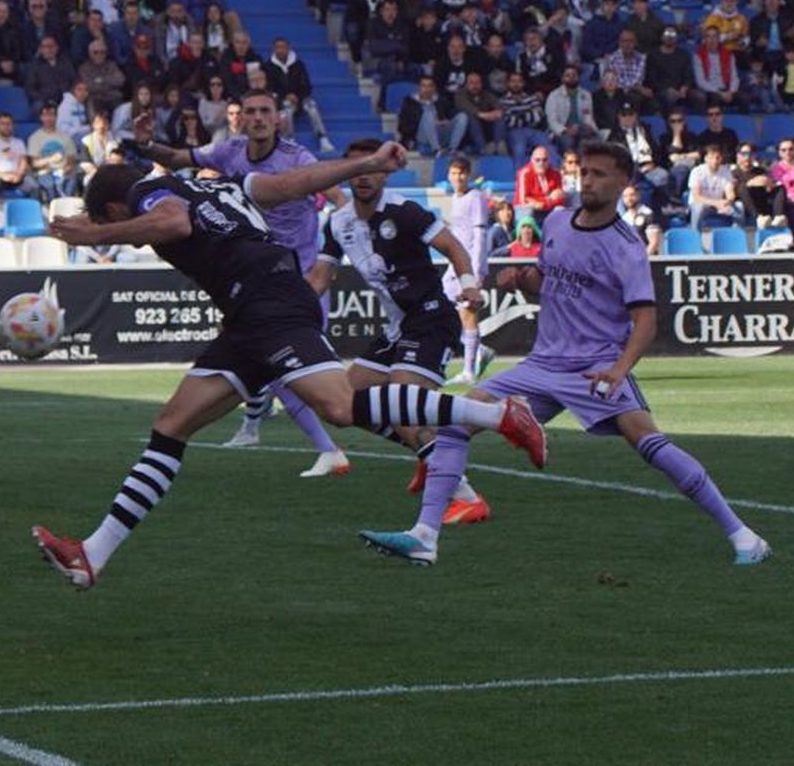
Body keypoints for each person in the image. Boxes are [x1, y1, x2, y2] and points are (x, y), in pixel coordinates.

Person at [33, 144, 545, 590]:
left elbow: (172, 223)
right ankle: (92, 555)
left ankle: (499, 416)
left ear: (116, 206)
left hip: (266, 300)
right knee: (171, 425)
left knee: (341, 406)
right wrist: (360, 164)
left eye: (109, 218)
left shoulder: (153, 198)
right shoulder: (219, 187)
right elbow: (289, 185)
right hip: (249, 311)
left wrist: (98, 237)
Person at [361, 141, 770, 567]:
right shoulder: (556, 221)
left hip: (594, 366)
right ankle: (426, 536)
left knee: (650, 444)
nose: (587, 180)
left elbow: (645, 321)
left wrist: (618, 370)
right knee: (457, 421)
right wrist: (523, 280)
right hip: (541, 364)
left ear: (624, 182)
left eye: (599, 174)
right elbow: (547, 277)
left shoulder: (625, 246)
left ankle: (743, 536)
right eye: (584, 172)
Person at [131, 89, 351, 476]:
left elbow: (340, 202)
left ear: (278, 118)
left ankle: (414, 435)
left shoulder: (297, 158)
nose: (259, 117)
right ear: (241, 119)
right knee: (275, 369)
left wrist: (330, 258)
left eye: (266, 110)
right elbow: (178, 159)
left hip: (298, 282)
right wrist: (147, 144)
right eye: (251, 111)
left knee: (319, 388)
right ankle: (313, 443)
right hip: (255, 282)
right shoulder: (228, 151)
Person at [309, 140, 493, 525]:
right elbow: (319, 279)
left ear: (385, 172)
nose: (362, 176)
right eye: (355, 168)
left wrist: (469, 284)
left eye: (371, 167)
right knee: (342, 404)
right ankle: (429, 451)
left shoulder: (404, 211)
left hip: (430, 320)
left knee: (403, 407)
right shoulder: (338, 223)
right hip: (397, 327)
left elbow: (454, 246)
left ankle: (466, 495)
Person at [444, 156, 495, 385]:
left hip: (468, 266)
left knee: (468, 313)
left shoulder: (476, 197)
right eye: (454, 173)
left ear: (469, 174)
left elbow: (479, 235)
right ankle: (480, 350)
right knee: (449, 311)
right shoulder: (454, 198)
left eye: (462, 173)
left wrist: (474, 272)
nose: (458, 177)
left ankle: (468, 370)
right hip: (454, 265)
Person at [0, 112, 35, 202]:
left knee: (34, 186)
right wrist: (3, 175)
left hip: (16, 176)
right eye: (3, 124)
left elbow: (23, 162)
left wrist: (18, 174)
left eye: (8, 124)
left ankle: (34, 214)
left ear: (13, 125)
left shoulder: (19, 143)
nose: (6, 126)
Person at [686, 144, 740, 230]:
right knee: (699, 207)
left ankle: (736, 234)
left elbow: (731, 194)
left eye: (717, 158)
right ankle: (695, 234)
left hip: (719, 205)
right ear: (705, 158)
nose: (715, 161)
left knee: (739, 206)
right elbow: (697, 197)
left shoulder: (726, 171)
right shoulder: (697, 171)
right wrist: (716, 203)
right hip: (703, 205)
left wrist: (727, 202)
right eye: (711, 158)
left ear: (721, 158)